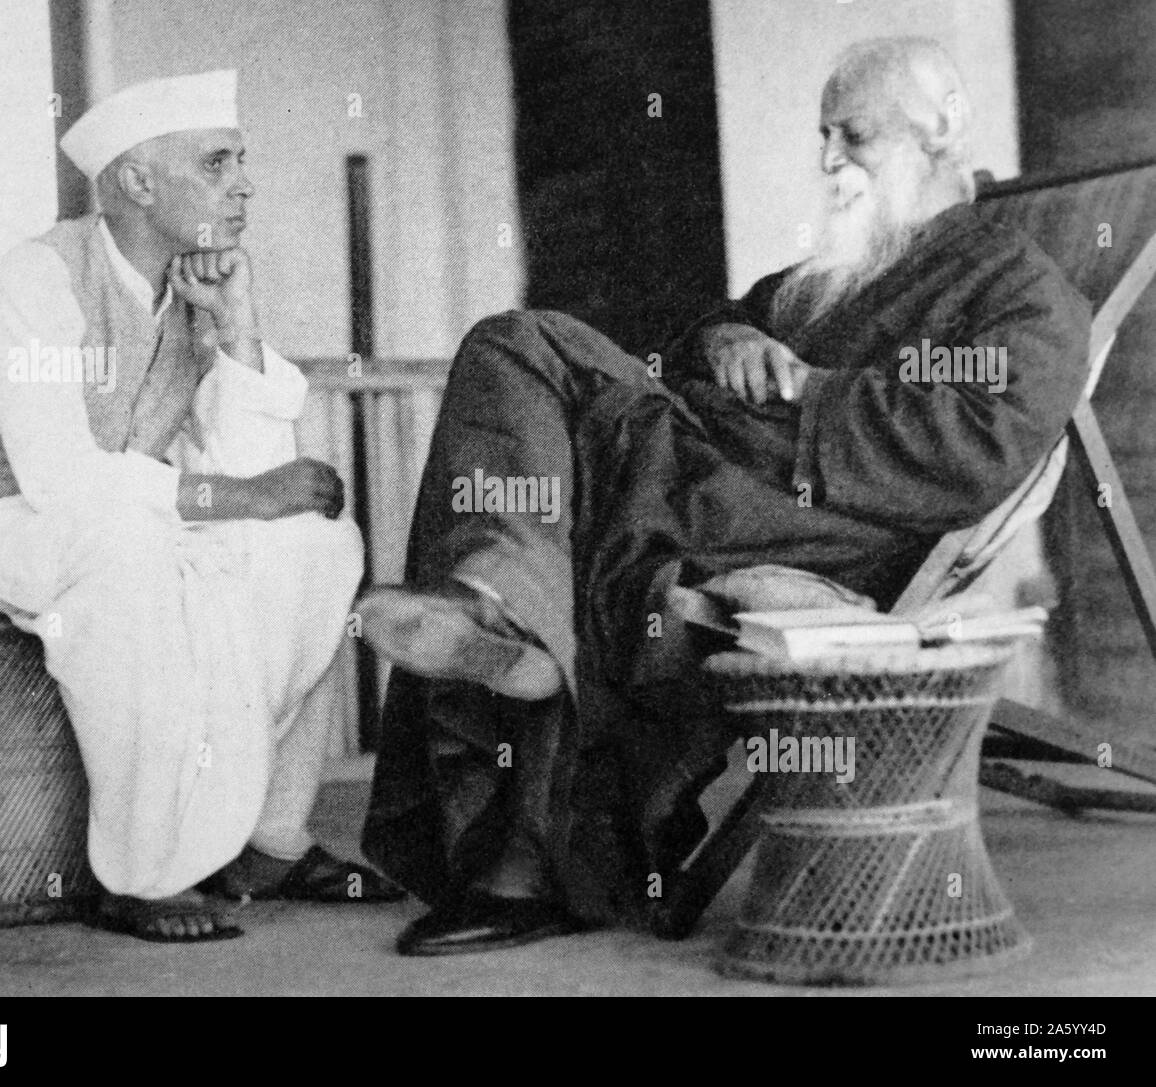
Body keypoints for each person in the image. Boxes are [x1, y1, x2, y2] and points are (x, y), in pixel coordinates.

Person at [356, 37, 1091, 956]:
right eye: (824, 135)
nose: (829, 160)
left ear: (939, 129)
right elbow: (722, 319)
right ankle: (500, 609)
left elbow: (981, 444)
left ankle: (511, 701)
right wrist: (728, 343)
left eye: (852, 135)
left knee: (565, 473)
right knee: (513, 344)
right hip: (701, 467)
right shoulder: (849, 265)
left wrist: (802, 390)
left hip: (817, 524)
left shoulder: (1023, 291)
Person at [0, 70, 403, 942]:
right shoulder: (37, 280)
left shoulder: (187, 294)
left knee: (316, 546)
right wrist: (242, 497)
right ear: (136, 183)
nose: (243, 183)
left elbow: (258, 477)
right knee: (127, 549)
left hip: (117, 519)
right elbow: (59, 481)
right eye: (217, 164)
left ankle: (266, 839)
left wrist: (237, 326)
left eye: (242, 161)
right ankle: (140, 872)